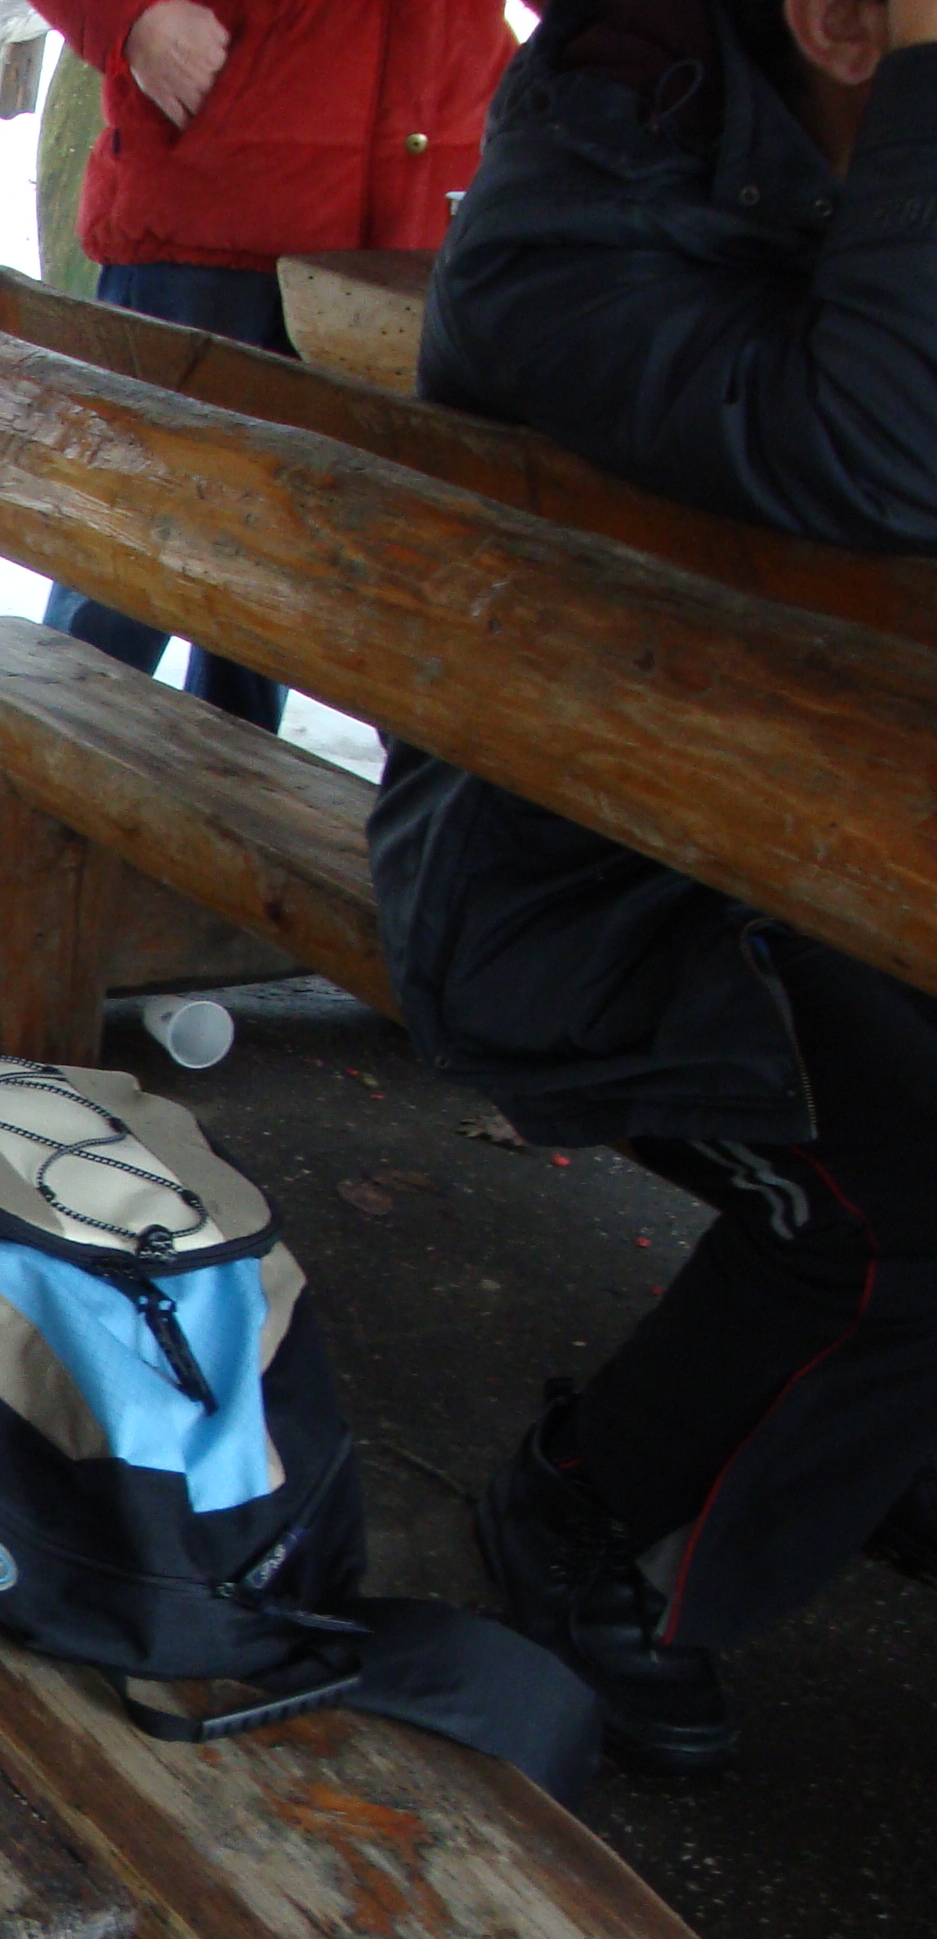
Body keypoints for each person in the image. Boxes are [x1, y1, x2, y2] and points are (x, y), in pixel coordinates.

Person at [366, 0, 937, 1773]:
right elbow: (880, 452)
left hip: (816, 837)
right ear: (847, 29)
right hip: (579, 877)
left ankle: (869, 1455)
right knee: (913, 1196)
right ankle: (590, 1506)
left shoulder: (816, 172)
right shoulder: (584, 215)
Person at [27, 0, 516, 728]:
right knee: (127, 557)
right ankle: (40, 787)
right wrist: (131, 19)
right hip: (211, 220)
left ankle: (221, 795)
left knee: (289, 587)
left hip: (405, 248)